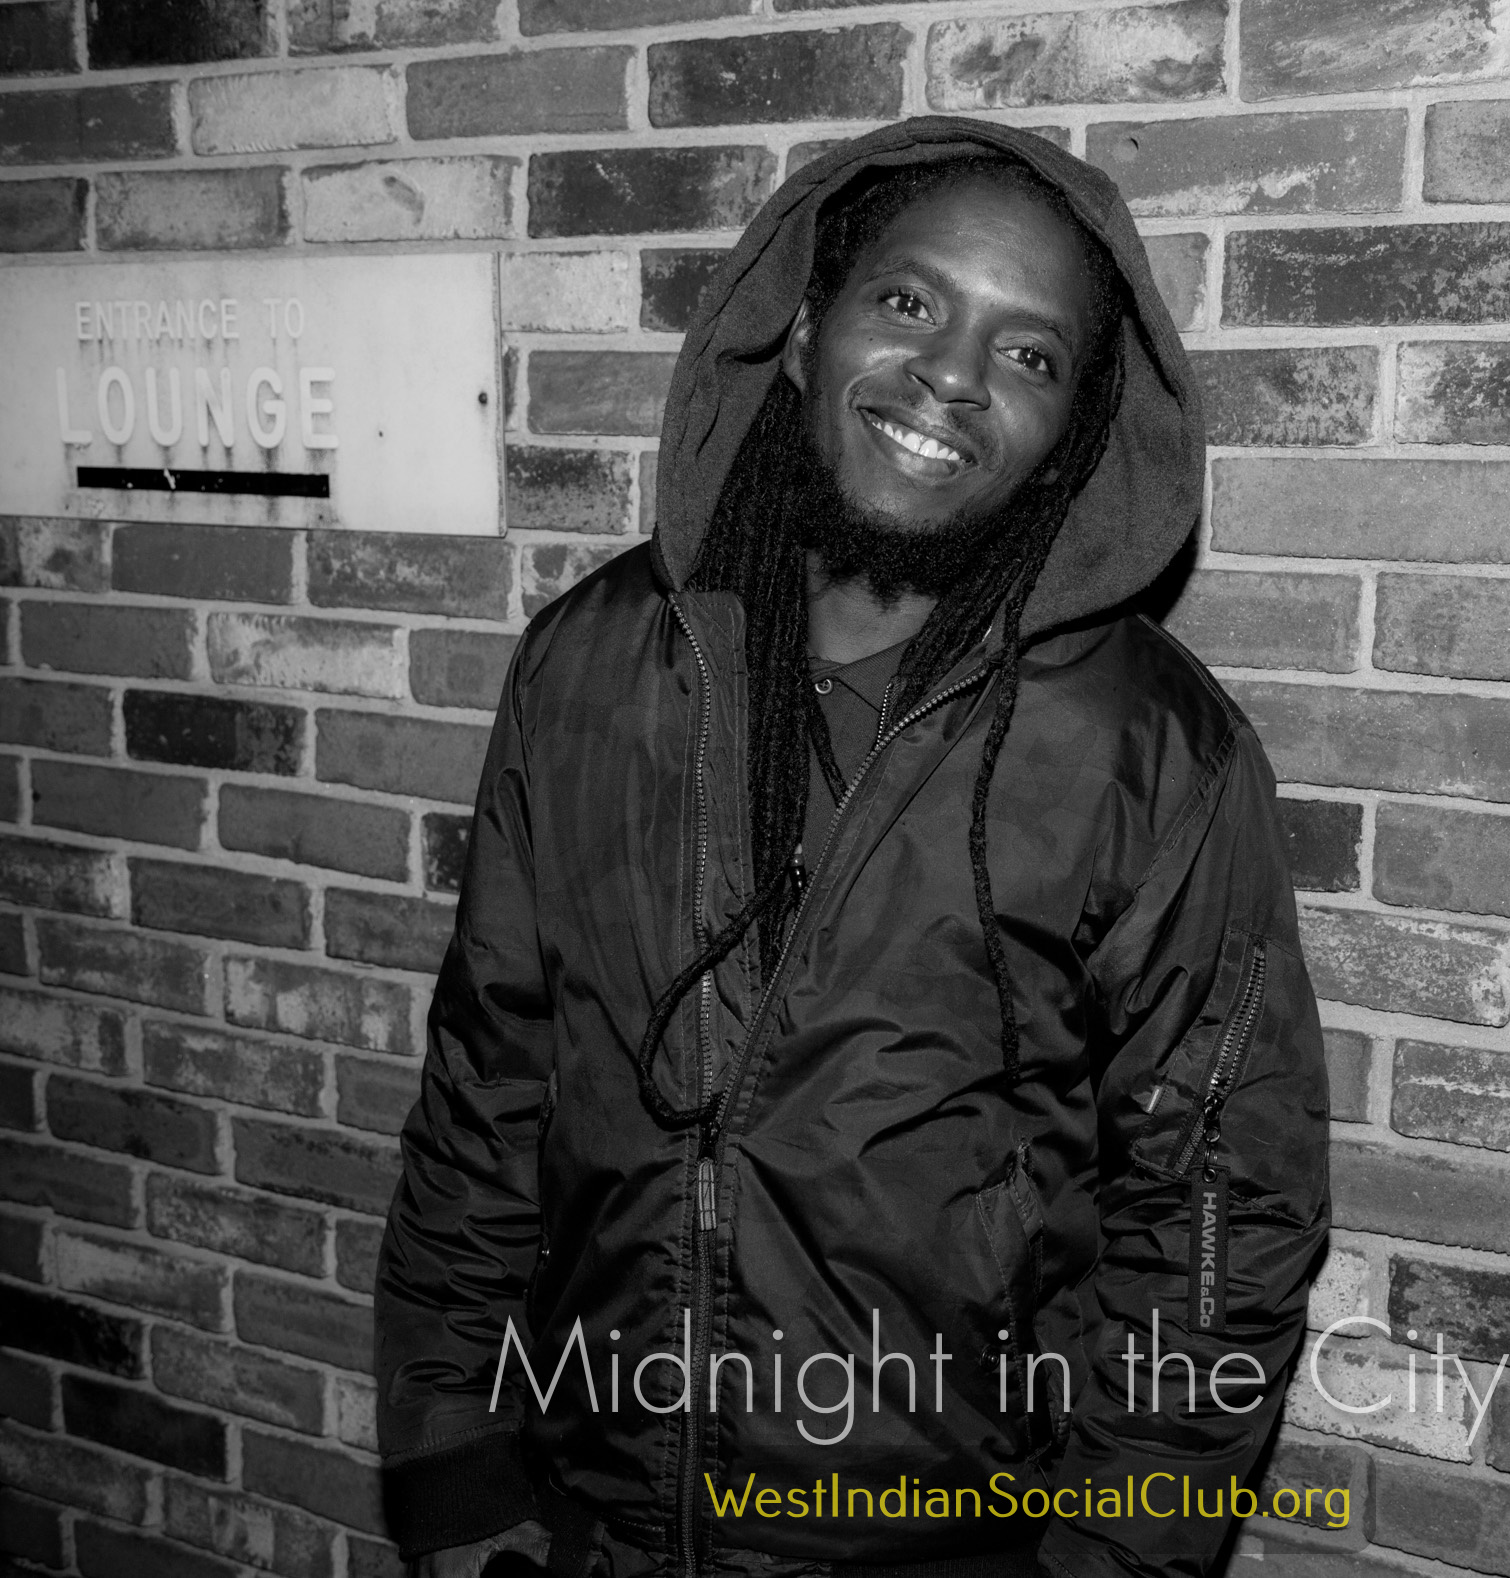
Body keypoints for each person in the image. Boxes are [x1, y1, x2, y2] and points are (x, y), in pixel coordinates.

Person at [375, 117, 1329, 1578]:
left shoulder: (1150, 754)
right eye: (909, 300)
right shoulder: (592, 666)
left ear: (1070, 437)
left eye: (1029, 354)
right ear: (808, 330)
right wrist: (453, 1467)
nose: (953, 373)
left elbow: (1218, 1219)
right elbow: (486, 1089)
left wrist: (1114, 1559)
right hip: (586, 1521)